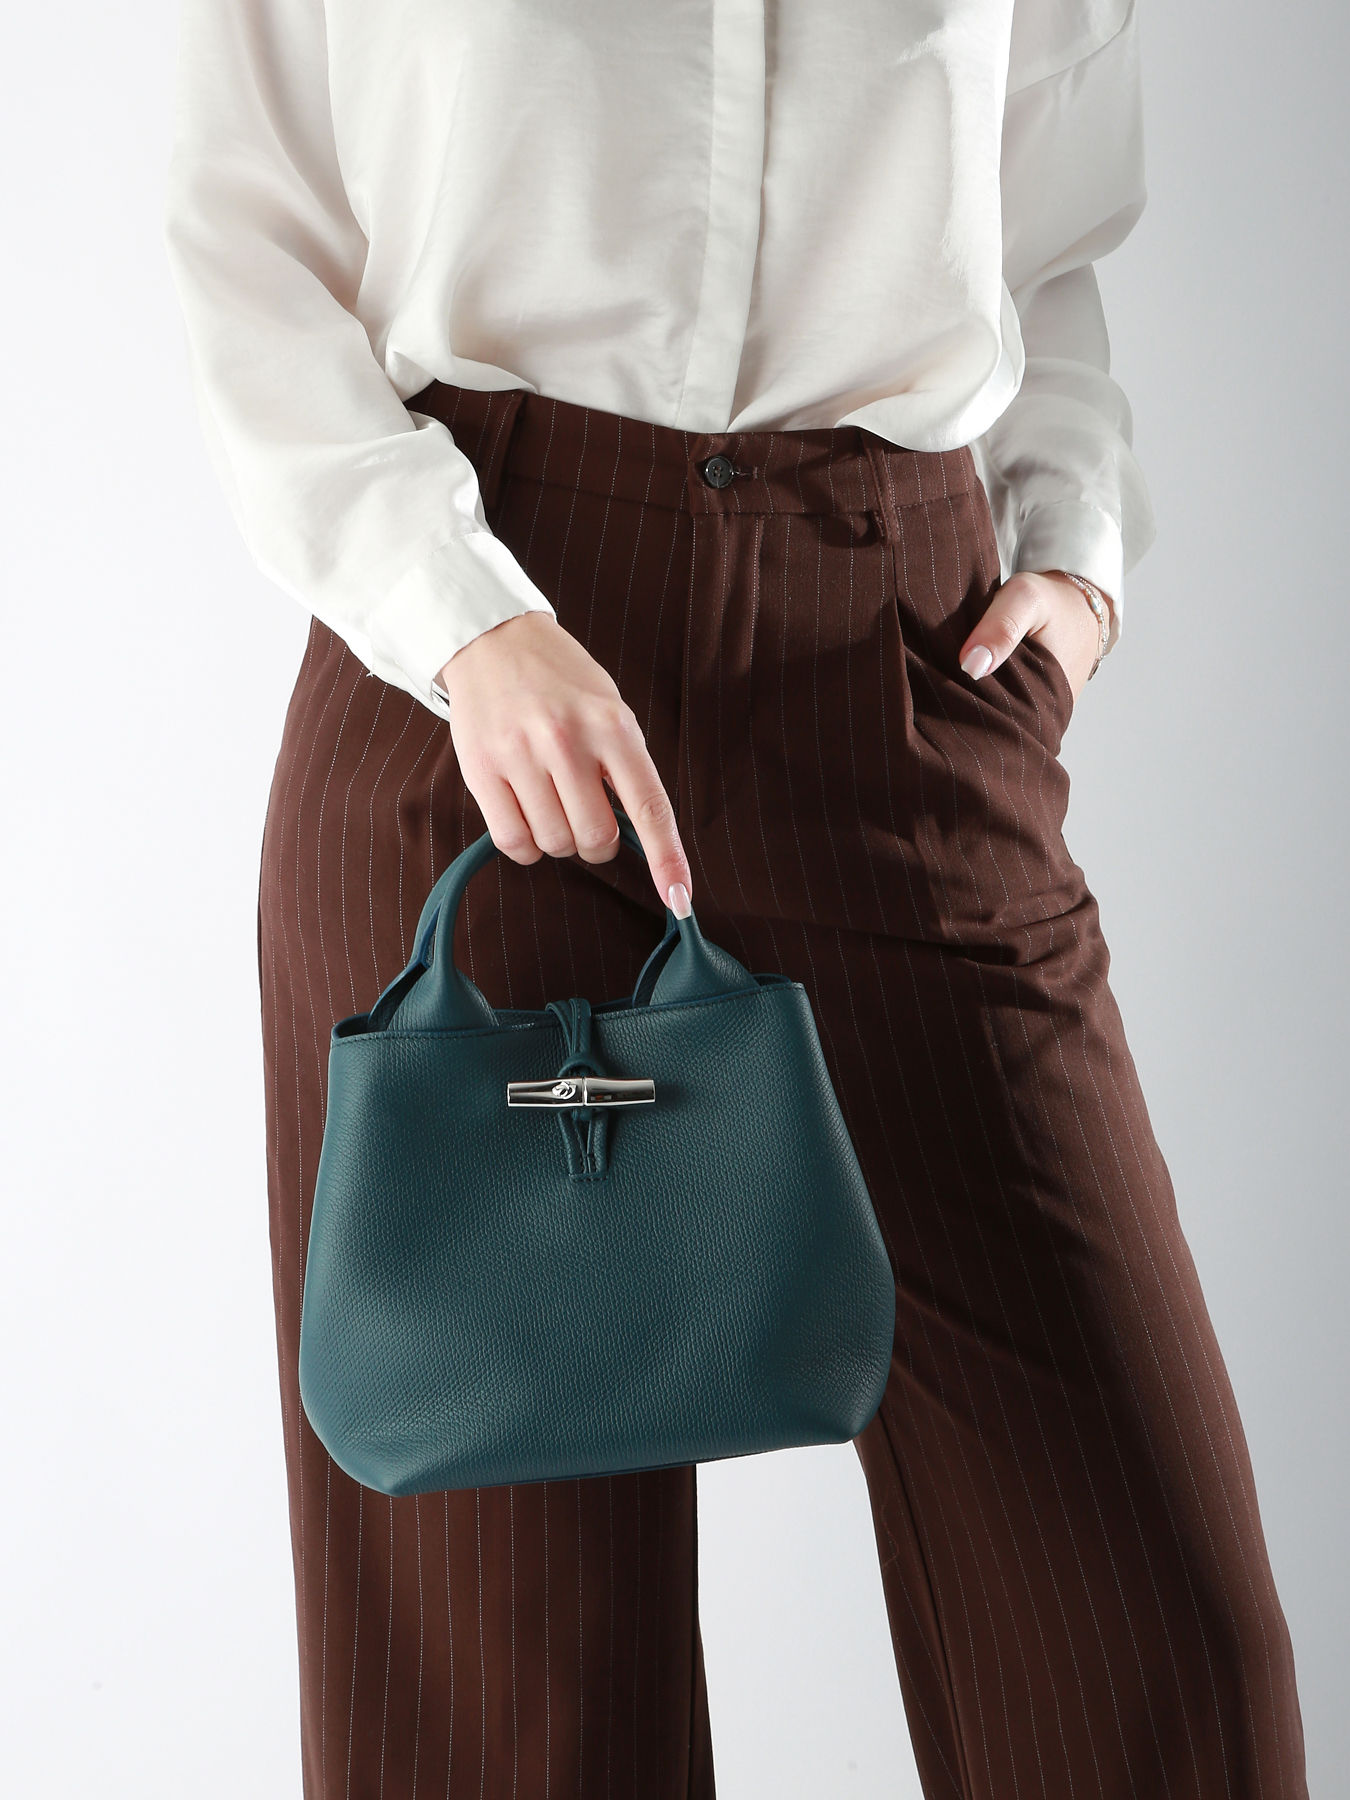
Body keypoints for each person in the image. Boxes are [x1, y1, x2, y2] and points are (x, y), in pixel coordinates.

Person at [161, 2, 1309, 1795]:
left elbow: (1049, 228)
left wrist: (1074, 552)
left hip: (900, 661)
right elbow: (248, 225)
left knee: (1152, 1652)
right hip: (483, 696)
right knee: (508, 1718)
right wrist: (458, 618)